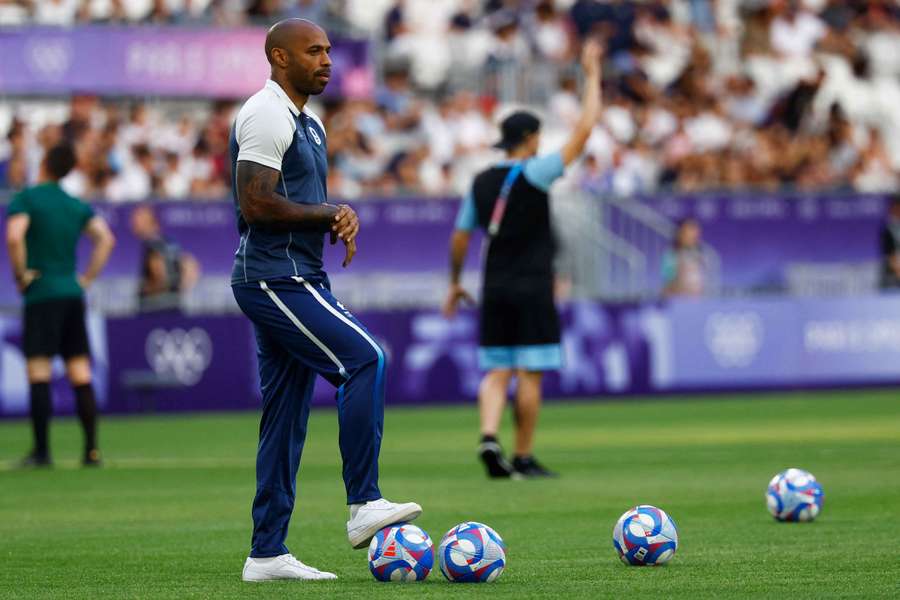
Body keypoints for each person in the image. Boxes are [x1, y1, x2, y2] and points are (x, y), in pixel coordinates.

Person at [229, 19, 421, 582]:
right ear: (277, 57)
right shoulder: (264, 112)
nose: (326, 60)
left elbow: (289, 202)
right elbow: (256, 204)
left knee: (284, 418)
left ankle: (266, 554)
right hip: (274, 276)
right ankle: (365, 504)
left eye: (329, 51)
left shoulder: (307, 122)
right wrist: (331, 213)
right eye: (312, 51)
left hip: (299, 272)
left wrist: (326, 217)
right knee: (366, 358)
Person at [443, 40, 603, 479]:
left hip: (493, 286)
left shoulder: (480, 181)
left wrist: (456, 282)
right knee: (529, 375)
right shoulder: (534, 171)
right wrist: (592, 74)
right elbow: (585, 132)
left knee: (497, 371)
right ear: (531, 139)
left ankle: (489, 435)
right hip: (533, 285)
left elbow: (461, 236)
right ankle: (524, 455)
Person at [4, 143, 116, 467]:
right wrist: (87, 278)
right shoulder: (74, 204)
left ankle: (42, 452)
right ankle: (91, 451)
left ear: (44, 164)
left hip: (41, 293)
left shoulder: (27, 198)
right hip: (71, 292)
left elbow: (14, 236)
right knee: (79, 371)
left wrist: (21, 275)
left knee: (38, 371)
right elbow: (106, 239)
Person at [130, 204, 199, 312]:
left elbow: (160, 274)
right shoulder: (169, 242)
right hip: (175, 304)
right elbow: (190, 264)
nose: (133, 223)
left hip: (155, 309)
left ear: (148, 221)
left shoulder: (152, 246)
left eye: (137, 219)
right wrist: (178, 289)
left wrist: (144, 291)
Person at [662, 217, 707, 297]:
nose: (693, 235)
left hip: (698, 299)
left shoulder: (700, 253)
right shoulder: (671, 254)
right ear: (680, 234)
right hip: (678, 298)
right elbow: (668, 279)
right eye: (689, 231)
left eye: (695, 231)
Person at [879, 194, 900, 290]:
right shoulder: (888, 231)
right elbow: (889, 256)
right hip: (892, 276)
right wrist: (898, 272)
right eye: (896, 209)